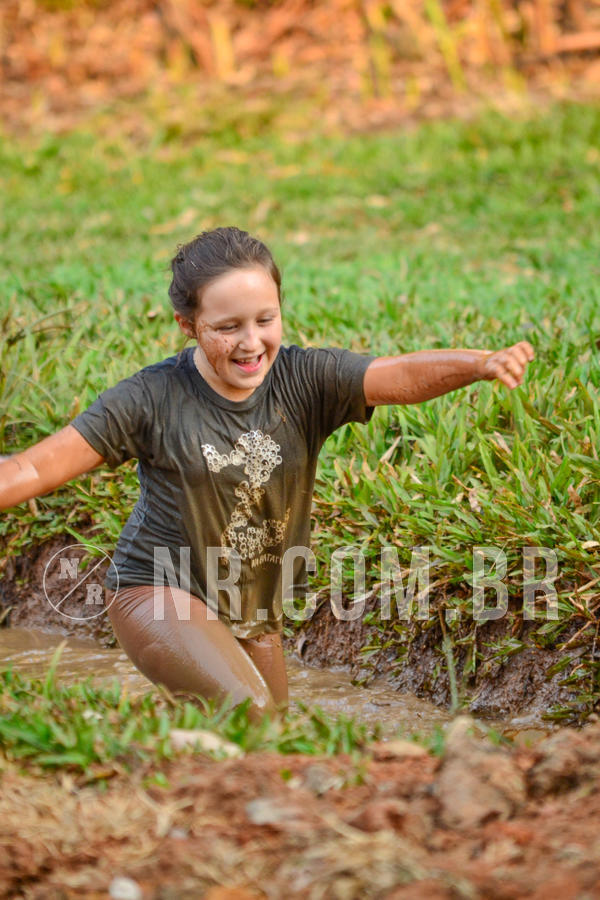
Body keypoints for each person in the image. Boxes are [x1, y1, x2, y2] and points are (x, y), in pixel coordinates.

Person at [0, 226, 534, 720]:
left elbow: (393, 375)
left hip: (251, 605)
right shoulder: (149, 398)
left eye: (265, 319)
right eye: (227, 327)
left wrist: (479, 365)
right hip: (158, 586)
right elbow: (29, 467)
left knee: (276, 734)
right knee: (251, 712)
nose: (251, 343)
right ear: (188, 325)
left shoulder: (304, 378)